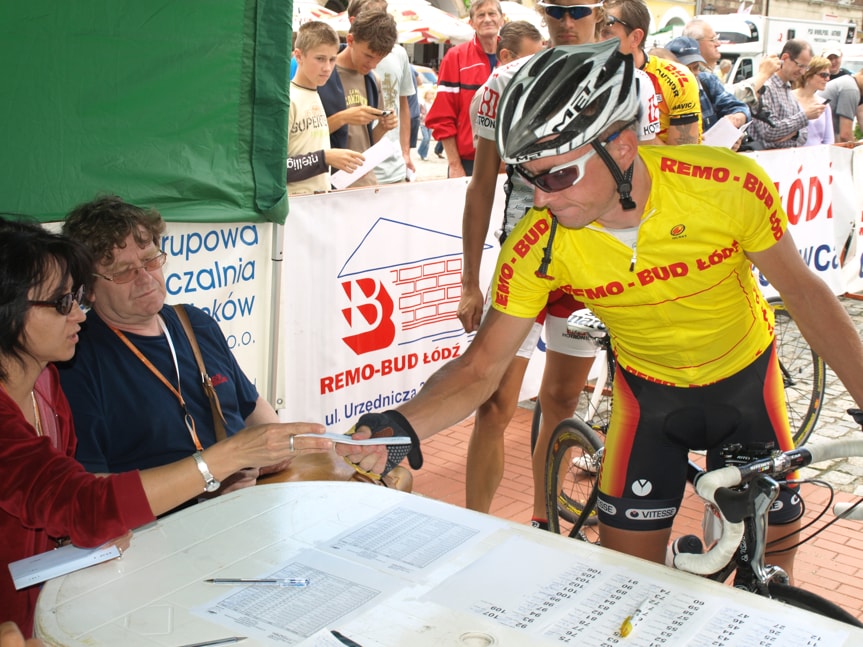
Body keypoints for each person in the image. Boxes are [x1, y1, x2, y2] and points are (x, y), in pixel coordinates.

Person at [339, 41, 863, 581]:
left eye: (557, 176)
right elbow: (480, 368)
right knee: (627, 582)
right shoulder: (539, 242)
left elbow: (805, 297)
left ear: (623, 146)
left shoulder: (727, 185)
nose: (540, 199)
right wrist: (399, 426)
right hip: (649, 403)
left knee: (772, 570)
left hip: (747, 387)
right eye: (529, 177)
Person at [0, 219, 332, 636]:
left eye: (150, 258)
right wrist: (225, 459)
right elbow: (83, 501)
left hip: (52, 606)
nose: (78, 317)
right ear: (8, 312)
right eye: (63, 302)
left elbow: (68, 506)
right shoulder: (73, 371)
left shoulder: (45, 382)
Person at [56, 196, 328, 505]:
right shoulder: (76, 358)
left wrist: (249, 466)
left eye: (150, 260)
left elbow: (264, 423)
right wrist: (209, 478)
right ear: (88, 289)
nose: (145, 278)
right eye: (122, 271)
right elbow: (89, 494)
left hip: (241, 513)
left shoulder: (195, 323)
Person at [459, 0, 606, 521]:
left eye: (578, 10)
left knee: (561, 400)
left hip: (592, 267)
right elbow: (480, 189)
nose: (566, 21)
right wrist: (468, 281)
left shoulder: (627, 83)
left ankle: (544, 524)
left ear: (600, 11)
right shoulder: (503, 84)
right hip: (522, 263)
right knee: (494, 404)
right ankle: (474, 525)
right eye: (555, 10)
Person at [318, 10, 399, 187]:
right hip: (328, 185)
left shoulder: (372, 79)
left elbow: (366, 141)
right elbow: (304, 137)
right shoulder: (321, 74)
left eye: (380, 59)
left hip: (364, 181)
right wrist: (343, 118)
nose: (373, 65)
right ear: (350, 40)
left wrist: (383, 128)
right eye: (368, 56)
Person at [603, 0, 701, 145]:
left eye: (606, 33)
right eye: (594, 31)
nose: (595, 40)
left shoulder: (677, 78)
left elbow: (682, 158)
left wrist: (639, 127)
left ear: (635, 38)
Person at [425, 0, 504, 177]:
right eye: (481, 15)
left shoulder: (515, 57)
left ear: (502, 20)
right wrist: (454, 165)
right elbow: (442, 116)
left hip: (507, 164)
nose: (487, 19)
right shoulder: (456, 57)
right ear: (472, 23)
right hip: (468, 163)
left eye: (492, 14)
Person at [288, 21, 365, 195]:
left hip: (318, 204)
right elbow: (275, 167)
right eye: (320, 59)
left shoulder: (315, 93)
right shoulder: (288, 100)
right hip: (295, 208)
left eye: (332, 59)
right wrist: (324, 158)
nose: (327, 68)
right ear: (298, 56)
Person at [747, 39, 823, 149]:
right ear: (785, 58)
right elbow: (769, 132)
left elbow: (804, 135)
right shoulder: (764, 87)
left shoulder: (788, 90)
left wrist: (794, 134)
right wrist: (804, 117)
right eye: (800, 65)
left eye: (806, 67)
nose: (802, 72)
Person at [666, 36, 749, 134]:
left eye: (696, 67)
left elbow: (738, 107)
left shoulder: (707, 81)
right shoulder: (661, 91)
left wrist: (736, 120)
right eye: (686, 69)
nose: (692, 74)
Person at [793, 57, 835, 146]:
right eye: (823, 75)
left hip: (818, 157)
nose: (827, 79)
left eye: (829, 75)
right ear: (808, 75)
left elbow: (829, 140)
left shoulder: (824, 104)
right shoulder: (789, 98)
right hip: (793, 155)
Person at [818, 66, 863, 143]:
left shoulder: (850, 82)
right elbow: (845, 135)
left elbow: (861, 114)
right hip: (818, 138)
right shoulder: (851, 89)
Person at [417, 87, 434, 161]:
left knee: (428, 139)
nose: (431, 95)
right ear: (426, 95)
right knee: (426, 138)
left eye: (432, 94)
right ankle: (420, 151)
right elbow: (418, 112)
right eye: (430, 94)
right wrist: (422, 116)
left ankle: (424, 154)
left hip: (430, 123)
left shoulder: (433, 103)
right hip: (423, 123)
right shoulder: (422, 103)